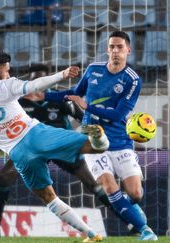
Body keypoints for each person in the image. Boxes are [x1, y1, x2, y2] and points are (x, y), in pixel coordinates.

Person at [0, 49, 109, 242]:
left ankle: (91, 234)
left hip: (19, 154)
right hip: (37, 135)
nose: (9, 74)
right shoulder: (6, 85)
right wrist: (62, 74)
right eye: (7, 70)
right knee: (96, 146)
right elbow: (35, 85)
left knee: (49, 198)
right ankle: (98, 135)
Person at [39, 31, 158, 241]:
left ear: (128, 50)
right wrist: (43, 95)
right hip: (93, 139)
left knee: (136, 194)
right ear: (107, 49)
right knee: (108, 185)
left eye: (120, 47)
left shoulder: (132, 80)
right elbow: (75, 92)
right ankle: (145, 230)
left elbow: (119, 114)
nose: (115, 51)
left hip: (120, 140)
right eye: (111, 47)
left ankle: (133, 212)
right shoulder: (93, 70)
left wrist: (88, 106)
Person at [0, 63, 115, 238]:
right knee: (4, 176)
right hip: (30, 147)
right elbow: (2, 129)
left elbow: (84, 119)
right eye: (34, 78)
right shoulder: (18, 102)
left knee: (92, 184)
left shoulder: (60, 100)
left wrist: (94, 132)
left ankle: (126, 219)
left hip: (58, 145)